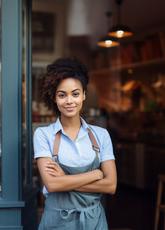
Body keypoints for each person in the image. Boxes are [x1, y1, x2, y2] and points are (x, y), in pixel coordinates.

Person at [33, 58, 117, 229]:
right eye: (62, 95)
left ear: (84, 95)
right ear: (54, 98)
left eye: (75, 94)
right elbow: (52, 184)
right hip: (57, 221)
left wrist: (65, 180)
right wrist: (95, 175)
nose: (69, 101)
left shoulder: (101, 135)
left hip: (94, 221)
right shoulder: (43, 135)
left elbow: (111, 185)